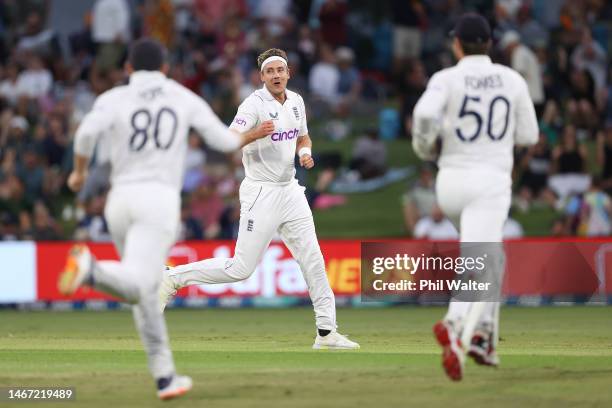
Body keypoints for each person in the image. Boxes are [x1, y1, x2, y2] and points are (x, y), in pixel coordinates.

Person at [57, 38, 274, 400]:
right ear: (166, 67)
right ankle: (92, 270)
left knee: (146, 290)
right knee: (141, 284)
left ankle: (164, 376)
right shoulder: (181, 96)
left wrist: (79, 174)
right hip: (157, 200)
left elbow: (85, 135)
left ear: (128, 68)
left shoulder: (113, 97)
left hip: (119, 200)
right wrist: (252, 134)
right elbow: (223, 142)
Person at [158, 48, 360, 350]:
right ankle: (172, 278)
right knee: (242, 268)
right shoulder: (253, 104)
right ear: (262, 76)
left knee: (313, 260)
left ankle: (327, 332)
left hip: (290, 190)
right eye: (270, 71)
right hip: (261, 191)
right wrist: (254, 134)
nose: (276, 75)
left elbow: (302, 136)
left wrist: (304, 152)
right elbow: (228, 141)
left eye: (280, 69)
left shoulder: (296, 101)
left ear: (288, 72)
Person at [411, 13, 538, 381]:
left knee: (490, 258)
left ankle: (484, 338)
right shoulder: (512, 79)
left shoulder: (445, 78)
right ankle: (454, 324)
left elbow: (423, 115)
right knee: (481, 259)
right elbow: (529, 135)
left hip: (449, 183)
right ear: (491, 43)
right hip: (489, 181)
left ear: (456, 44)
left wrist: (423, 148)